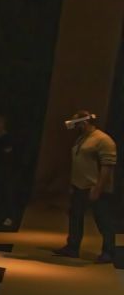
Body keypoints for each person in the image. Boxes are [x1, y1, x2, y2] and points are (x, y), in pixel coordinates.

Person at [53, 111, 118, 263]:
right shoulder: (82, 138)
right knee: (75, 217)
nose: (75, 127)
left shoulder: (103, 140)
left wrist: (98, 188)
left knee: (103, 220)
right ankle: (72, 247)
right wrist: (73, 183)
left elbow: (107, 166)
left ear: (84, 122)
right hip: (79, 186)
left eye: (77, 123)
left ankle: (108, 251)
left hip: (95, 187)